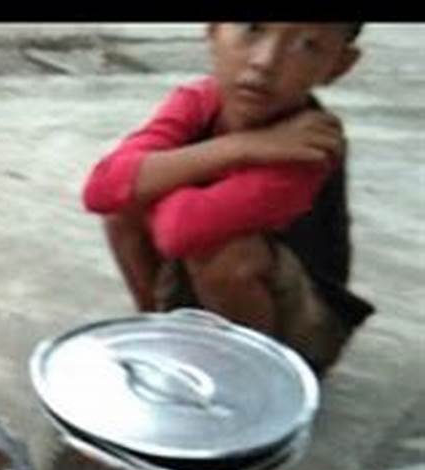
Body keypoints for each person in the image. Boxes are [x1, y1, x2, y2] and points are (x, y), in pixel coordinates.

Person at [82, 23, 374, 375]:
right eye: (252, 28)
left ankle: (257, 381)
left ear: (339, 66)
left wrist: (147, 180)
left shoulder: (311, 144)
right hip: (201, 283)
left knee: (223, 252)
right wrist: (239, 148)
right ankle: (159, 332)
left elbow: (180, 231)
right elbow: (101, 188)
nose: (266, 61)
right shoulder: (198, 101)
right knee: (123, 206)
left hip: (302, 326)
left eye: (308, 45)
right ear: (212, 31)